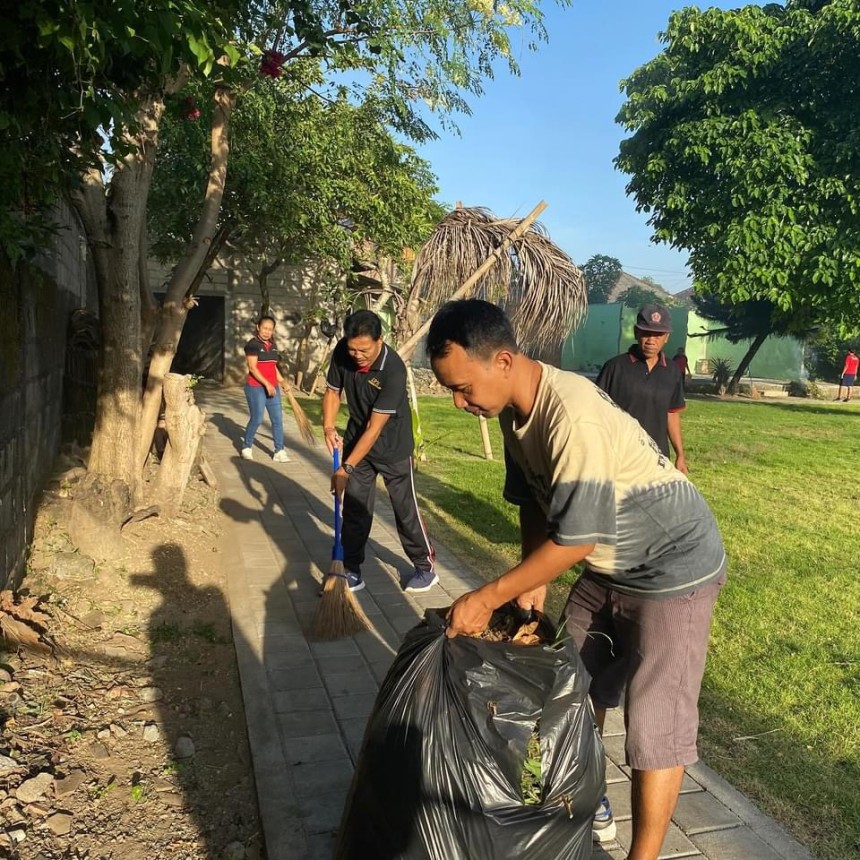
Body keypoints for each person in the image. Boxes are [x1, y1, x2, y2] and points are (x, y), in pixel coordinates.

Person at [426, 299, 727, 860]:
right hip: (608, 564)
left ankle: (644, 856)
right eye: (451, 389)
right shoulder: (515, 413)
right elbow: (536, 503)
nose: (458, 401)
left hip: (673, 565)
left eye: (464, 387)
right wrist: (529, 582)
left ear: (505, 361)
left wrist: (489, 596)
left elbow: (577, 540)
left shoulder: (571, 414)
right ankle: (586, 800)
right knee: (567, 687)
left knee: (653, 724)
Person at [322, 310, 437, 594]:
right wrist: (327, 427)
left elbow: (375, 428)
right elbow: (333, 391)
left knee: (404, 508)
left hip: (392, 448)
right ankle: (350, 569)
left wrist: (344, 468)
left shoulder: (393, 369)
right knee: (356, 508)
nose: (356, 355)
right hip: (356, 442)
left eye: (364, 349)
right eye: (352, 348)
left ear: (380, 341)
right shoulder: (342, 352)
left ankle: (425, 566)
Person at [596, 304, 688, 474]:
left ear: (666, 337)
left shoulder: (672, 370)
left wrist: (680, 455)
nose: (651, 340)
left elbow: (672, 413)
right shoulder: (614, 367)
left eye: (658, 335)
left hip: (657, 459)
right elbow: (597, 414)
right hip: (620, 458)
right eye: (646, 333)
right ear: (636, 332)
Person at [241, 314, 292, 463]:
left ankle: (279, 451)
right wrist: (267, 384)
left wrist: (282, 382)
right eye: (264, 328)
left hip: (273, 388)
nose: (267, 331)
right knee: (257, 419)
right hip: (256, 387)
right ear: (258, 327)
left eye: (270, 329)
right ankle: (246, 447)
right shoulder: (252, 345)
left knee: (277, 420)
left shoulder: (273, 346)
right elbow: (252, 368)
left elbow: (272, 367)